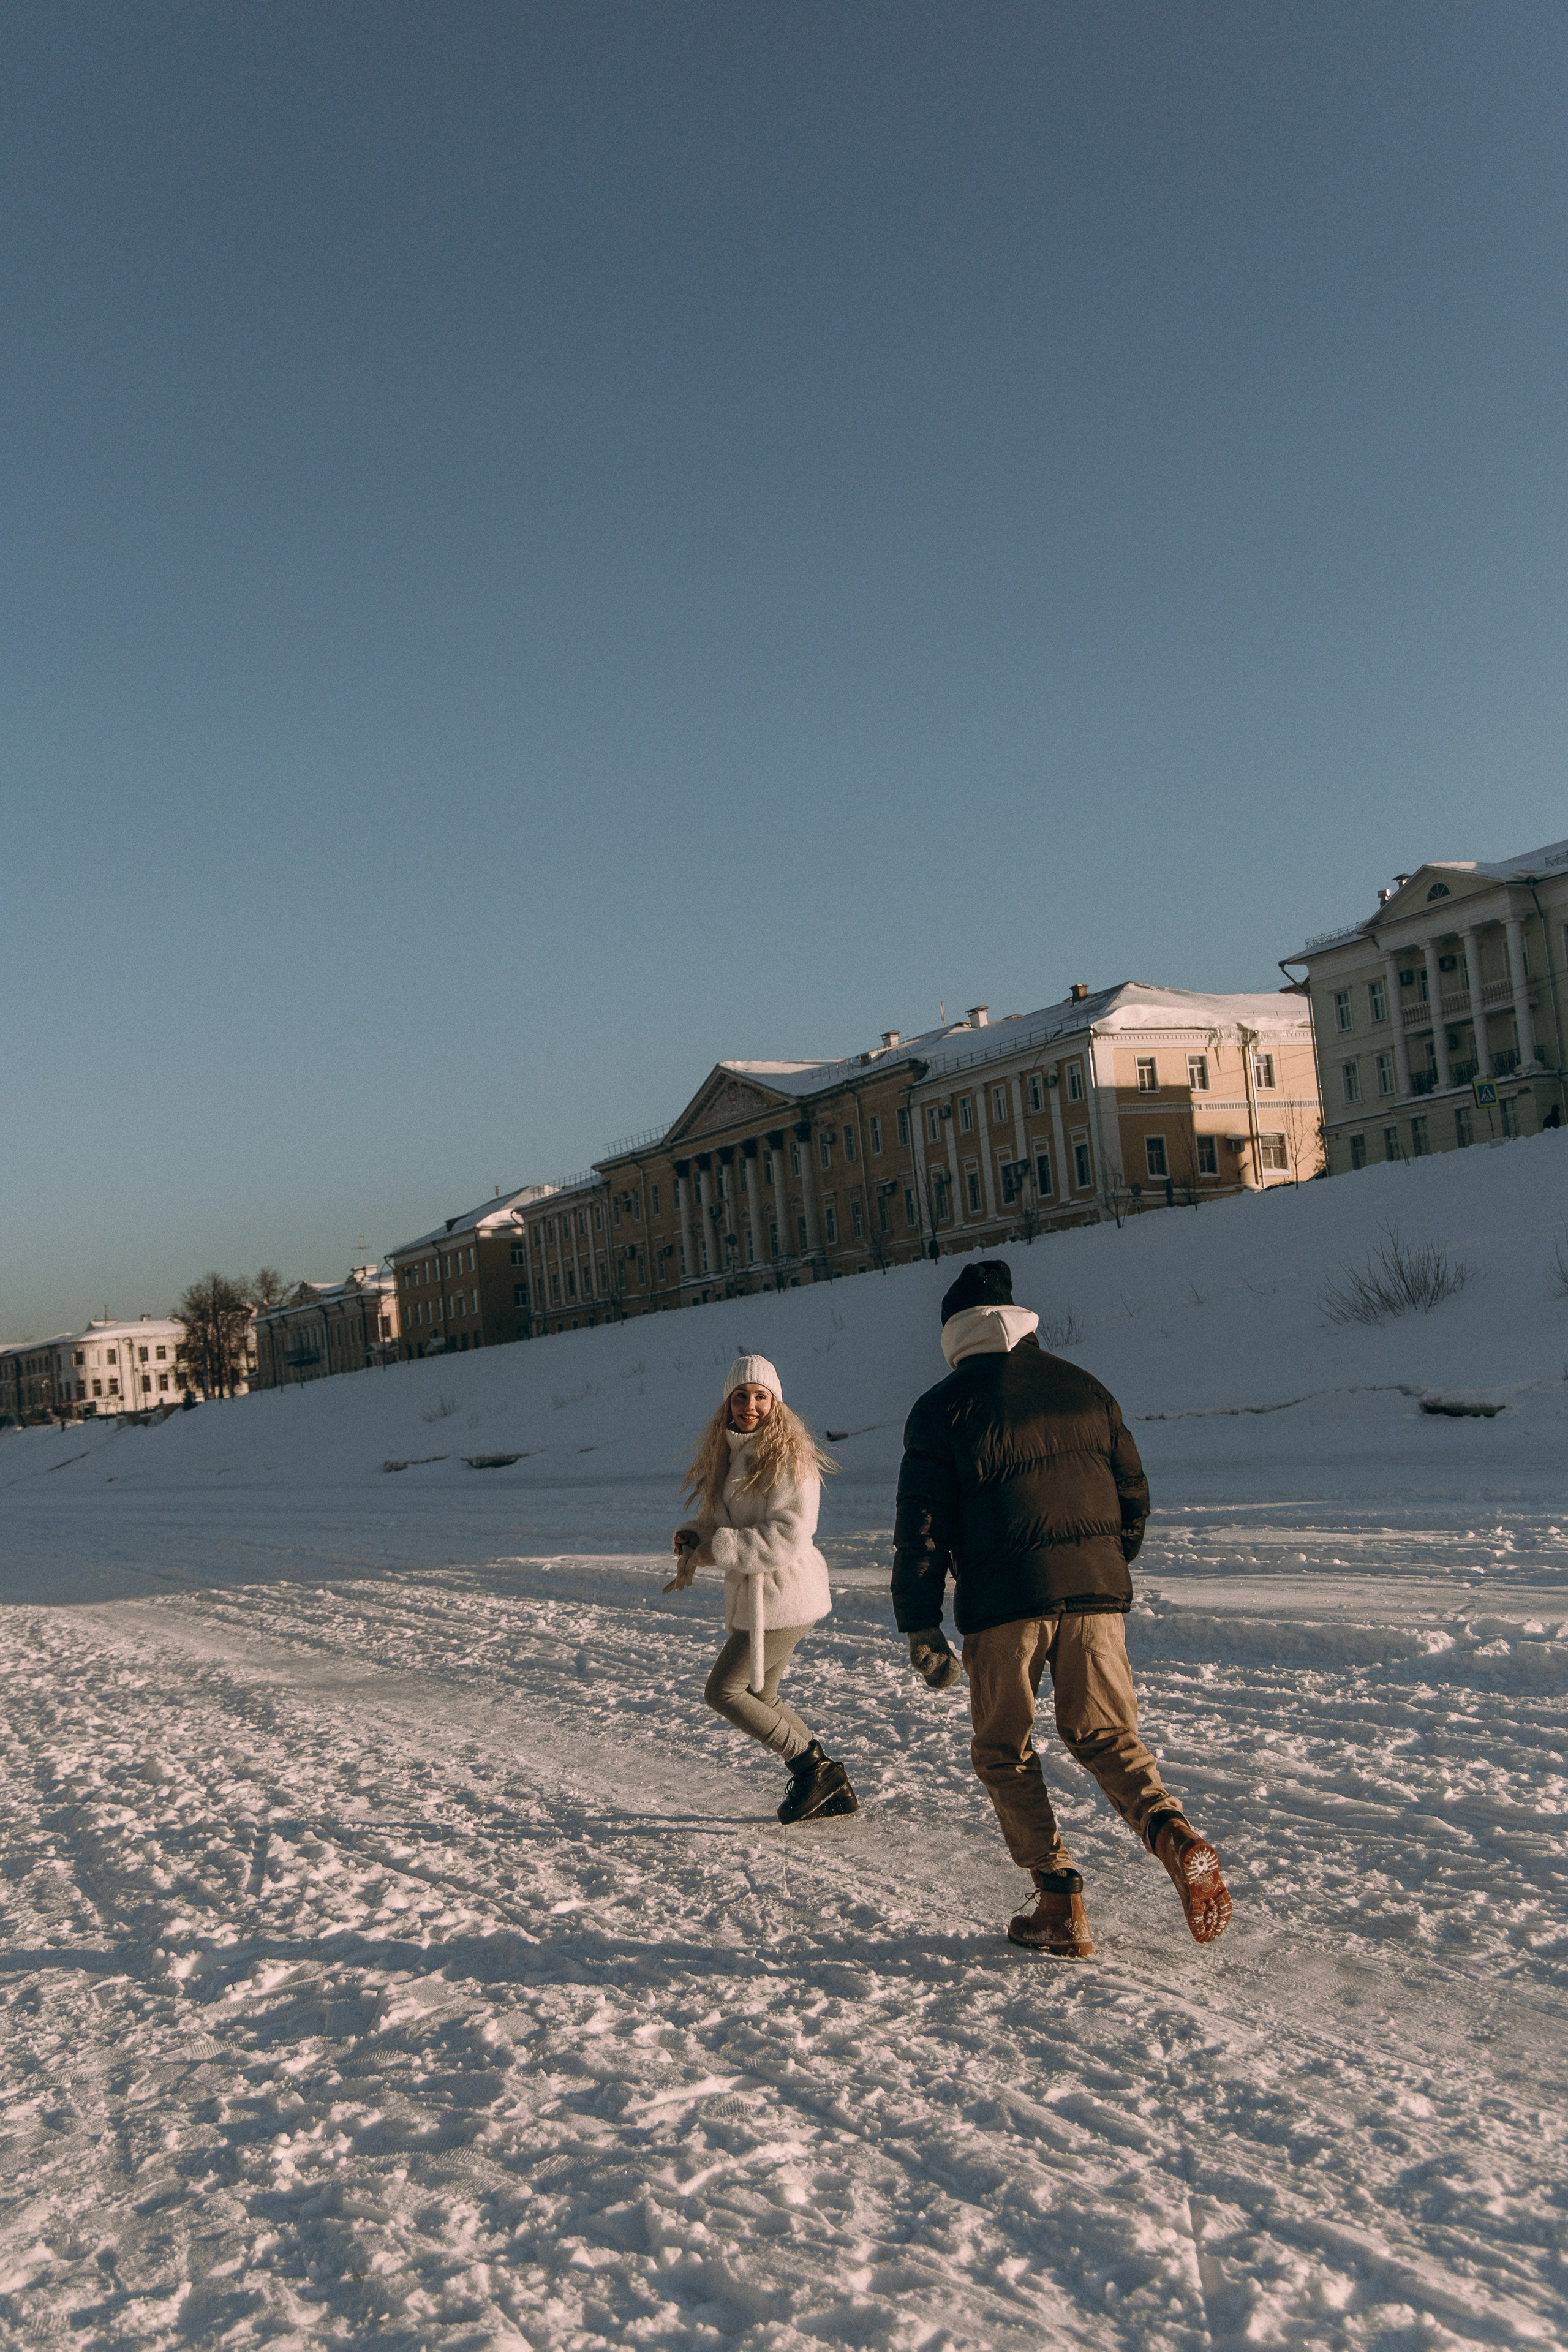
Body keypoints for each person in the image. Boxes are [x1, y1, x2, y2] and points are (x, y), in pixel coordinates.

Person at [892, 1260, 1231, 1958]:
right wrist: (1105, 1563)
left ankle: (1058, 1900)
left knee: (1003, 1750)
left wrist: (919, 1621)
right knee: (1107, 1735)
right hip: (1094, 1592)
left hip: (1003, 1601)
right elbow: (1131, 1491)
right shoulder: (1085, 1388)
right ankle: (1172, 1833)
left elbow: (921, 1528)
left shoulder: (940, 1407)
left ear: (954, 1337)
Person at [666, 1354, 859, 1825]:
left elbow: (792, 1535)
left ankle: (813, 1770)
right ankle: (830, 1783)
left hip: (784, 1596)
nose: (750, 1406)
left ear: (775, 1402)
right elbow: (726, 1523)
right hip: (762, 1598)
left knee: (725, 1692)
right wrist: (697, 1534)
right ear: (728, 1404)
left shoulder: (789, 1457)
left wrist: (723, 1546)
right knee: (764, 1695)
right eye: (740, 1397)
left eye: (760, 1397)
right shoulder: (734, 1453)